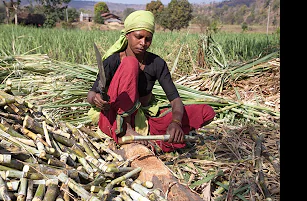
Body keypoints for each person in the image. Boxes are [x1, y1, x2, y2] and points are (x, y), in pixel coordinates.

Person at [87, 10, 216, 153]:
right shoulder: (113, 61)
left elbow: (175, 100)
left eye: (148, 39)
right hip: (114, 120)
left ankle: (153, 140)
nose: (143, 43)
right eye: (138, 37)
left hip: (144, 120)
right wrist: (96, 99)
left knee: (206, 112)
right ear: (127, 35)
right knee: (130, 63)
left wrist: (176, 123)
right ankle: (128, 131)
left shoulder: (156, 63)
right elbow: (91, 94)